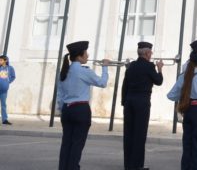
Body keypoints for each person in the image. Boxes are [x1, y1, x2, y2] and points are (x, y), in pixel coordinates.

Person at [57, 41, 109, 170]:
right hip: (80, 110)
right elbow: (102, 83)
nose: (88, 55)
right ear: (79, 56)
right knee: (77, 145)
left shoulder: (64, 71)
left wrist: (62, 110)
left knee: (66, 144)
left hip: (67, 110)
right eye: (86, 53)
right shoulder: (84, 71)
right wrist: (105, 67)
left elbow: (60, 95)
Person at [121, 41, 164, 170]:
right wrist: (160, 68)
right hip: (142, 102)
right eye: (150, 52)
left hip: (129, 101)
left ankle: (128, 165)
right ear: (146, 53)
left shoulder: (131, 66)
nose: (151, 55)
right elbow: (158, 81)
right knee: (139, 134)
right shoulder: (149, 66)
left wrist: (124, 102)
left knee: (128, 134)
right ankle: (137, 165)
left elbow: (125, 85)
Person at [0, 54, 16, 125]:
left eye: (1, 60)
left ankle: (4, 120)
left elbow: (13, 76)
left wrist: (8, 82)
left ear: (5, 61)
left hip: (4, 90)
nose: (0, 61)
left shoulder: (10, 68)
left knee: (3, 104)